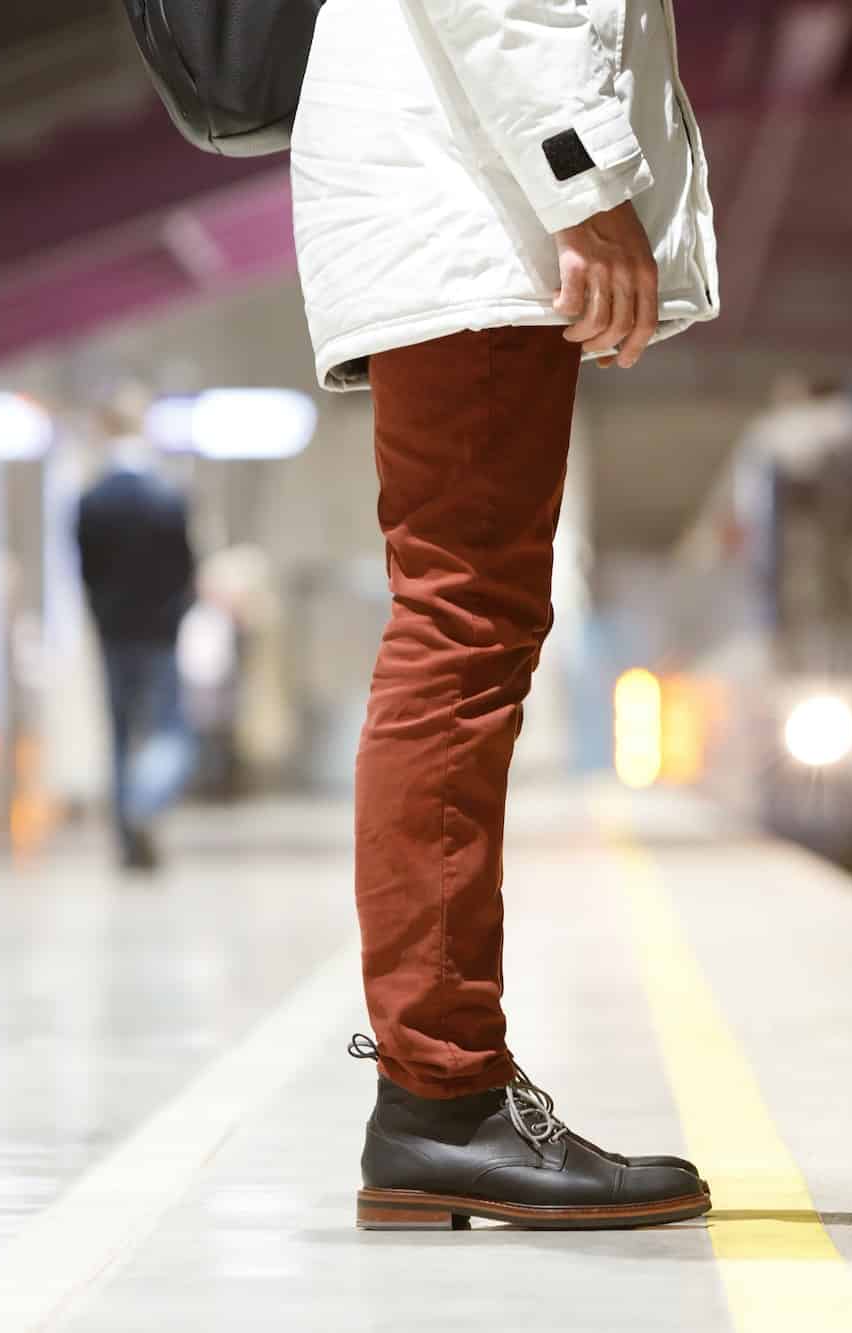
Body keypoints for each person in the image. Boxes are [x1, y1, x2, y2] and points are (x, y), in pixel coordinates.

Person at [290, 0, 719, 1230]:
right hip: (475, 217)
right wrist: (582, 186)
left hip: (458, 209)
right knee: (462, 631)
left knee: (465, 625)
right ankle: (440, 1094)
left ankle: (438, 1098)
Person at [75, 402, 200, 872]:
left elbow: (85, 573)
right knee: (171, 732)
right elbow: (187, 568)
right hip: (161, 635)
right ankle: (143, 804)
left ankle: (127, 840)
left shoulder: (91, 501)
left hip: (112, 635)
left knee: (120, 733)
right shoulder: (167, 496)